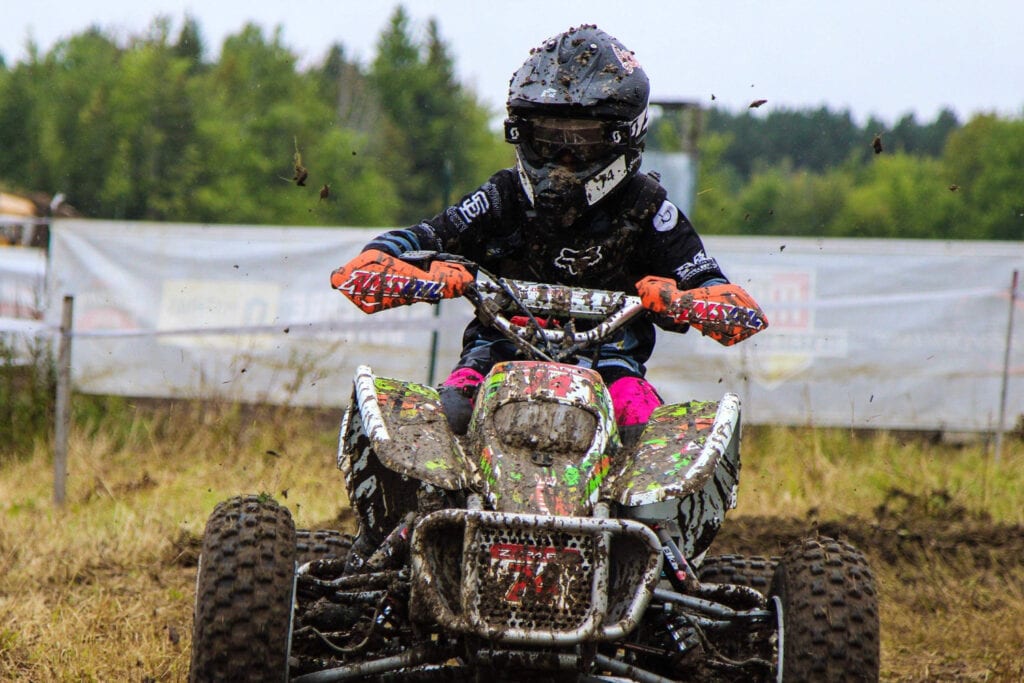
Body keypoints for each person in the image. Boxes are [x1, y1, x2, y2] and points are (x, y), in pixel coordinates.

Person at [351, 24, 766, 439]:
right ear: (521, 134)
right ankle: (424, 505)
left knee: (653, 434)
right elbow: (415, 240)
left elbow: (731, 301)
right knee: (439, 421)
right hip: (494, 357)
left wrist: (683, 299)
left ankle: (642, 506)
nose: (562, 160)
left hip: (612, 368)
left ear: (623, 138)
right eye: (548, 140)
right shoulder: (503, 196)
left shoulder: (647, 207)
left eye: (581, 142)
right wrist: (402, 266)